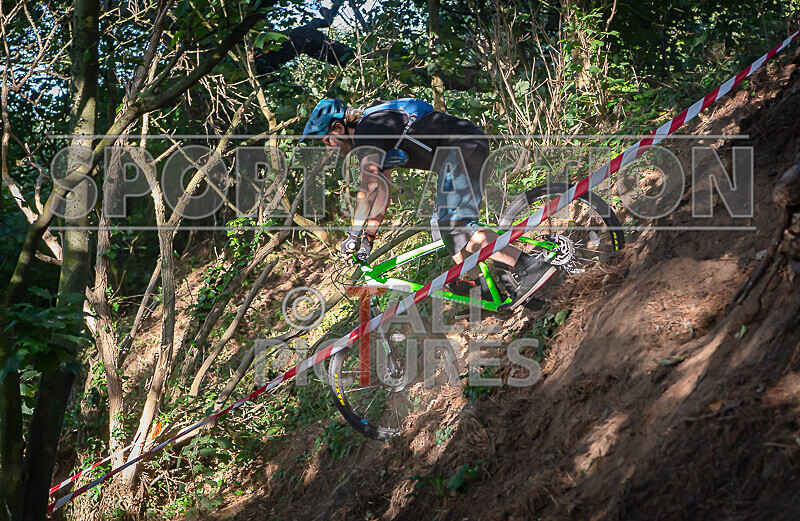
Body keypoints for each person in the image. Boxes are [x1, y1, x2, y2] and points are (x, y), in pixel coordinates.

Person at [301, 98, 556, 311]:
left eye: (324, 140)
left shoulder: (369, 128)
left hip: (463, 146)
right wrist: (368, 236)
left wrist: (353, 234)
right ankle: (484, 292)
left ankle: (529, 265)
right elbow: (381, 190)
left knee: (458, 225)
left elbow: (367, 187)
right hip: (453, 158)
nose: (326, 148)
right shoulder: (372, 140)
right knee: (442, 226)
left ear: (337, 128)